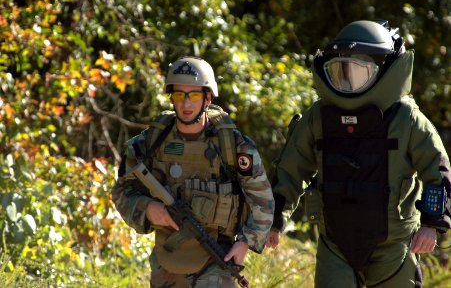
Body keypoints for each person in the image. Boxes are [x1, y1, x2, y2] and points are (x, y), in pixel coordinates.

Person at [266, 20, 451, 287]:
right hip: (335, 245)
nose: (348, 81)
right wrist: (274, 222)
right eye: (340, 71)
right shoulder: (317, 117)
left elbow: (439, 169)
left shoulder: (407, 119)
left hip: (395, 247)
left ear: (383, 70)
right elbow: (291, 170)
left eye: (358, 71)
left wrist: (432, 225)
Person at [112, 56, 274, 287]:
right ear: (171, 97)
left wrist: (245, 243)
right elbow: (121, 191)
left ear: (207, 98)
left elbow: (263, 201)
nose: (186, 104)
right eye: (179, 95)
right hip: (168, 259)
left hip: (218, 257)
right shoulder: (151, 142)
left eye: (194, 95)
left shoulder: (232, 146)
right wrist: (148, 208)